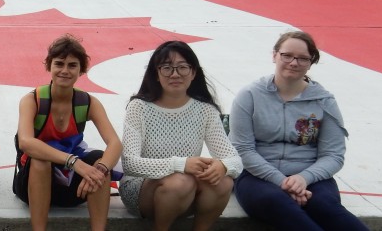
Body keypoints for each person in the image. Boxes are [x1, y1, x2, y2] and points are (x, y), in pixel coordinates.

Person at [229, 31, 367, 230]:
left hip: (310, 175)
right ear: (275, 55)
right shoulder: (249, 95)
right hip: (256, 175)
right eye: (287, 55)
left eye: (303, 58)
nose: (294, 63)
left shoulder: (324, 101)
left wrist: (303, 179)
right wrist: (282, 181)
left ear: (311, 62)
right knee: (279, 204)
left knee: (326, 207)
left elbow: (333, 155)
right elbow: (242, 150)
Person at [119, 40, 242, 231]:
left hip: (186, 192)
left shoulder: (205, 110)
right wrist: (181, 164)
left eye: (183, 67)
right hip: (141, 190)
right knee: (180, 181)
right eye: (167, 68)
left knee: (223, 181)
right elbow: (130, 163)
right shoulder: (139, 107)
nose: (175, 74)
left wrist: (223, 165)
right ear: (156, 74)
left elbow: (235, 159)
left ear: (193, 73)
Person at [12, 34, 122, 231]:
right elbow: (26, 143)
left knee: (99, 161)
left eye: (72, 65)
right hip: (32, 185)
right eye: (59, 64)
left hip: (73, 188)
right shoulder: (32, 100)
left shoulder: (88, 102)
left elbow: (115, 143)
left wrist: (101, 170)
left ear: (81, 70)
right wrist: (75, 162)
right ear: (49, 67)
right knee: (40, 159)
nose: (65, 70)